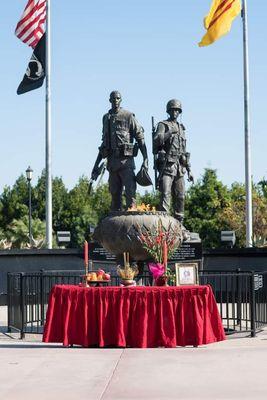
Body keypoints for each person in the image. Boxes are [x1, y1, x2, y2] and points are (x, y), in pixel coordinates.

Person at [91, 91, 148, 211]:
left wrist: (145, 159)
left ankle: (131, 223)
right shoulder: (106, 118)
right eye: (113, 99)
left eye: (118, 98)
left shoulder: (128, 116)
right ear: (110, 100)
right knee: (115, 196)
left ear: (120, 100)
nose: (115, 101)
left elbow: (140, 137)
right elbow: (104, 144)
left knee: (130, 194)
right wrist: (95, 165)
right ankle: (115, 227)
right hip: (112, 164)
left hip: (126, 163)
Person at [153, 99, 194, 222]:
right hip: (167, 166)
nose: (175, 112)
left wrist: (189, 170)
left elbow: (185, 151)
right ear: (168, 111)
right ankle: (164, 223)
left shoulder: (182, 128)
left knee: (181, 196)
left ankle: (179, 224)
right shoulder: (163, 124)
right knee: (165, 194)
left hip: (180, 167)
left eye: (177, 110)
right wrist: (169, 133)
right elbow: (156, 141)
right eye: (172, 110)